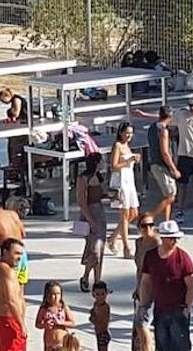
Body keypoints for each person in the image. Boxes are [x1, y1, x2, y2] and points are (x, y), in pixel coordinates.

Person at [138, 220, 193, 351]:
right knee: (165, 348)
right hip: (160, 308)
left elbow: (191, 284)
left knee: (180, 347)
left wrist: (187, 307)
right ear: (164, 238)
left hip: (178, 309)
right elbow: (145, 281)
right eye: (172, 238)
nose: (175, 241)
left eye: (176, 238)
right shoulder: (151, 257)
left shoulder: (183, 258)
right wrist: (143, 304)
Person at [130, 215, 163, 351]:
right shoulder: (138, 243)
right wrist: (137, 287)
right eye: (144, 226)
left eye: (151, 225)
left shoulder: (158, 243)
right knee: (148, 322)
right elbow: (139, 268)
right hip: (142, 285)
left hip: (155, 288)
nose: (148, 229)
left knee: (142, 323)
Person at [77, 152, 109, 293]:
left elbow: (101, 194)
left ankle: (97, 281)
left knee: (99, 249)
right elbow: (82, 202)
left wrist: (112, 196)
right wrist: (91, 221)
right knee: (94, 250)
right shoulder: (83, 178)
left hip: (100, 213)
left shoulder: (99, 177)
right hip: (89, 214)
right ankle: (85, 277)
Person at [109, 122, 140, 260]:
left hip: (129, 181)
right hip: (121, 181)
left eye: (131, 133)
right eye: (126, 133)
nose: (129, 136)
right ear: (121, 132)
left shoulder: (127, 146)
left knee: (133, 213)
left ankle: (113, 237)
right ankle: (127, 248)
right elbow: (114, 166)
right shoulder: (117, 146)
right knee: (125, 214)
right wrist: (128, 162)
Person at [0, 190, 28, 287]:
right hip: (22, 253)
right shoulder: (13, 214)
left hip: (10, 258)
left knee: (10, 290)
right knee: (20, 291)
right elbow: (23, 233)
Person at [147, 107, 181, 223]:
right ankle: (150, 216)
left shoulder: (153, 127)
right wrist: (174, 168)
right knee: (171, 196)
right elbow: (165, 153)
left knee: (166, 195)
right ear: (170, 117)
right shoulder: (163, 130)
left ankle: (167, 220)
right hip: (162, 165)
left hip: (155, 163)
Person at [90, 281, 113, 351]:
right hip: (99, 333)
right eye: (97, 294)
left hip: (103, 333)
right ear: (93, 294)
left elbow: (103, 323)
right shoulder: (96, 305)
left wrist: (94, 319)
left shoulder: (105, 307)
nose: (100, 297)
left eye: (102, 294)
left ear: (106, 294)